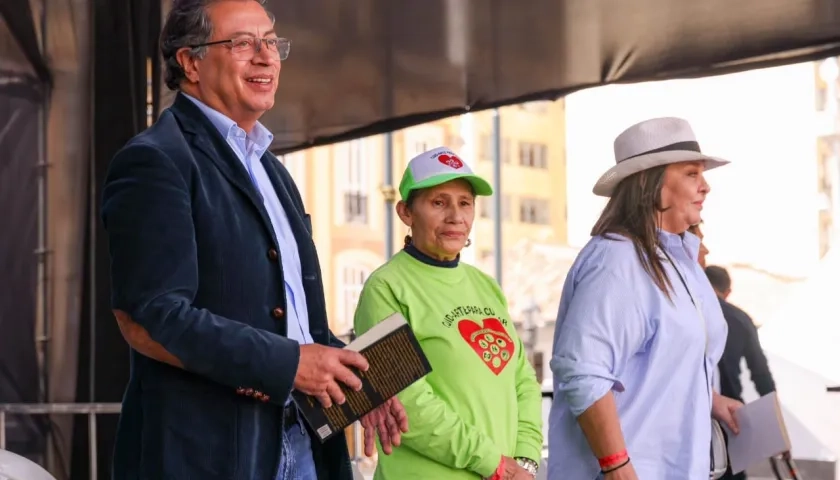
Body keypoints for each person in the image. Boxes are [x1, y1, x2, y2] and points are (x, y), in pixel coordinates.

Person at [101, 1, 406, 479]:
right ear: (190, 61)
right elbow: (149, 317)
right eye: (243, 43)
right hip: (209, 453)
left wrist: (358, 388)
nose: (266, 57)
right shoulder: (156, 161)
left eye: (271, 42)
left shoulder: (273, 172)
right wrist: (289, 366)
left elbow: (292, 323)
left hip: (302, 442)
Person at [548, 117, 744, 479]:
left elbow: (663, 359)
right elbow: (583, 371)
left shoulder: (681, 260)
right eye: (691, 173)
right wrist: (618, 467)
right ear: (648, 183)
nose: (706, 187)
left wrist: (710, 400)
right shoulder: (617, 260)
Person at [353, 147, 544, 480]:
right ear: (405, 212)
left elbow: (522, 379)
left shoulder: (485, 285)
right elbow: (408, 404)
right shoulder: (385, 288)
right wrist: (494, 464)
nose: (456, 216)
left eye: (465, 203)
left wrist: (524, 459)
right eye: (439, 203)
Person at [706, 265, 778, 480]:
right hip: (732, 419)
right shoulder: (740, 319)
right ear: (727, 292)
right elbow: (761, 376)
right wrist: (776, 430)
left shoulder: (689, 310)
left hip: (695, 414)